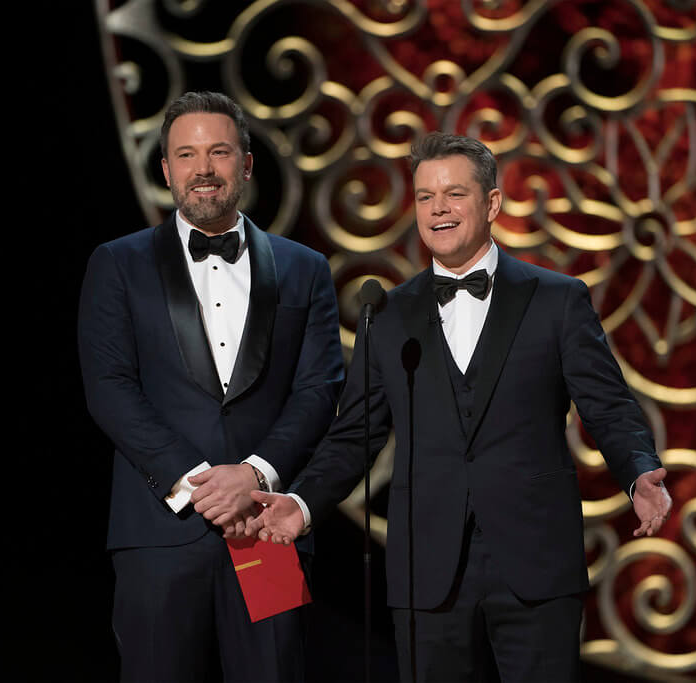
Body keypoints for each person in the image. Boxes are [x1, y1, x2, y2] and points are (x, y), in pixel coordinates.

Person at [247, 132, 673, 683]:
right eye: (425, 197)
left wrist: (639, 471)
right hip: (427, 569)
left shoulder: (556, 299)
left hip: (536, 564)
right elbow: (355, 435)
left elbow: (609, 406)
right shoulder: (389, 315)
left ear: (492, 204)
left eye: (454, 194)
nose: (438, 209)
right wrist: (302, 505)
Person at [78, 91, 344, 683]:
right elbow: (110, 388)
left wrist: (252, 476)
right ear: (167, 169)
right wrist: (200, 486)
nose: (204, 169)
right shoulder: (118, 264)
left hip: (266, 526)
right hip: (160, 532)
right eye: (187, 154)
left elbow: (319, 389)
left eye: (219, 152)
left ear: (245, 164)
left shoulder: (304, 268)